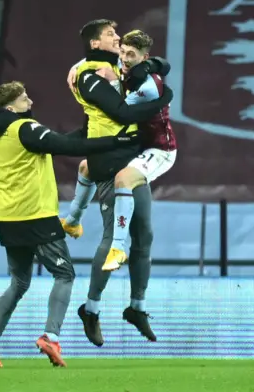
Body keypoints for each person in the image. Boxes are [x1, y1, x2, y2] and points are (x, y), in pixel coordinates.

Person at [0, 81, 140, 368]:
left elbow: (60, 139)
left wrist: (94, 130)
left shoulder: (1, 132)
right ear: (11, 106)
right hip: (36, 215)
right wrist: (116, 142)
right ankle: (51, 337)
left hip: (9, 217)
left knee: (19, 282)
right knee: (64, 274)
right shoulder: (24, 127)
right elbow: (66, 146)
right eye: (24, 98)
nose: (30, 101)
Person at [66, 19, 173, 347]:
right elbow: (123, 114)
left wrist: (148, 64)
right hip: (111, 160)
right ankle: (92, 308)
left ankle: (137, 307)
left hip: (131, 158)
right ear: (96, 44)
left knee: (145, 235)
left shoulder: (118, 65)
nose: (118, 39)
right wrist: (166, 97)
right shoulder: (87, 75)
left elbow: (160, 64)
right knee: (116, 238)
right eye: (112, 36)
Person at [62, 30, 177, 269]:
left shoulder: (148, 85)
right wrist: (77, 67)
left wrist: (112, 82)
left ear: (144, 58)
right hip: (137, 144)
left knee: (123, 180)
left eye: (131, 55)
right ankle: (72, 220)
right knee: (86, 166)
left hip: (160, 149)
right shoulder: (123, 63)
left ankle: (117, 248)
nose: (123, 58)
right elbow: (95, 58)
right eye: (122, 51)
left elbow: (121, 111)